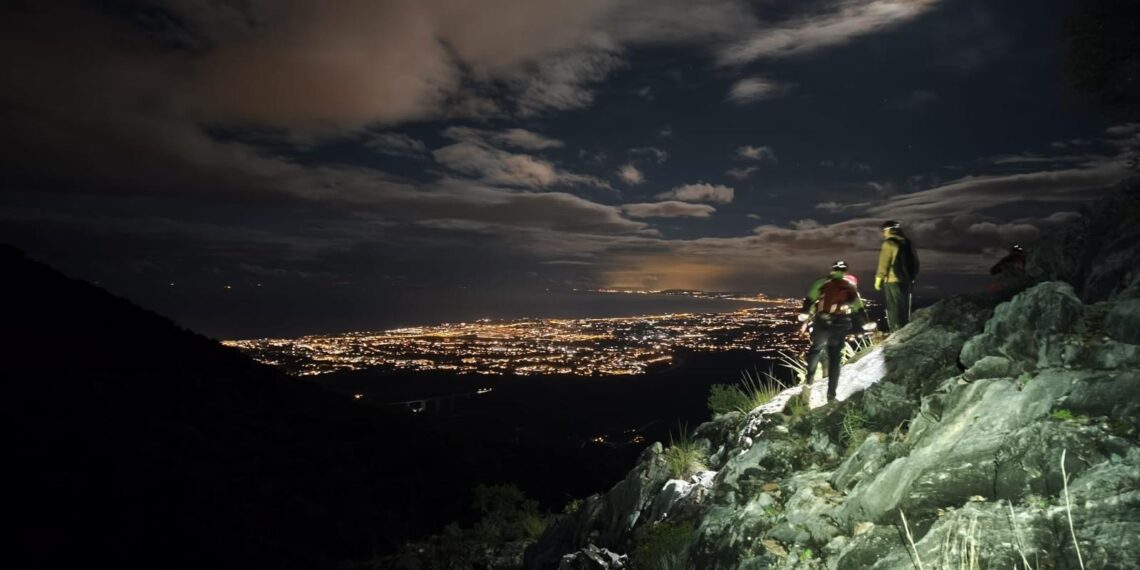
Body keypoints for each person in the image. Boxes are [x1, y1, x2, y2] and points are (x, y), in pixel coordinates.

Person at [798, 261, 876, 402]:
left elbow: (809, 300)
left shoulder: (821, 282)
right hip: (840, 324)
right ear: (845, 272)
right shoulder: (850, 287)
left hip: (822, 321)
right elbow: (859, 309)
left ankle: (808, 385)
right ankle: (831, 395)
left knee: (816, 349)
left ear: (832, 270)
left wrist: (804, 313)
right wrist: (866, 323)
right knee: (835, 358)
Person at [874, 220, 920, 332]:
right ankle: (905, 328)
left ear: (888, 230)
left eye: (884, 231)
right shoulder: (908, 243)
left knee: (894, 307)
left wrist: (878, 280)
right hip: (906, 280)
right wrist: (912, 277)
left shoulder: (889, 243)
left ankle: (896, 331)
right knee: (904, 306)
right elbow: (916, 262)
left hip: (892, 280)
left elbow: (883, 264)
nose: (883, 234)